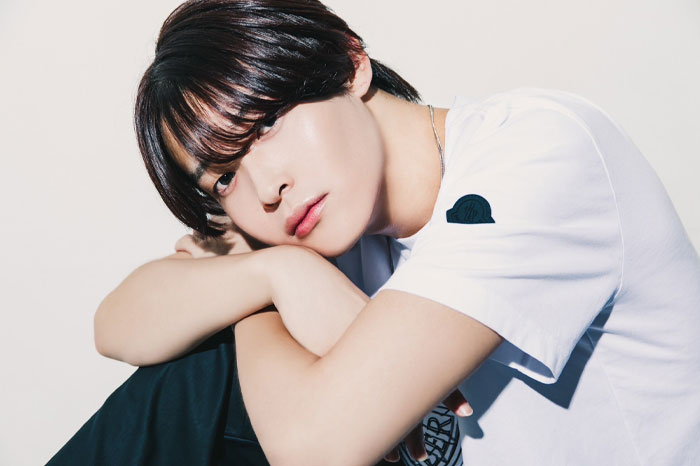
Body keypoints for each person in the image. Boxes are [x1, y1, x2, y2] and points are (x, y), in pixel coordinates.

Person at [54, 0, 700, 465]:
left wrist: (255, 297)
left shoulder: (538, 151)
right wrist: (275, 272)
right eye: (222, 179)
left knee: (223, 349)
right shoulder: (314, 233)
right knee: (195, 367)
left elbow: (317, 449)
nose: (265, 189)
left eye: (265, 125)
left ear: (349, 63)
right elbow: (117, 326)